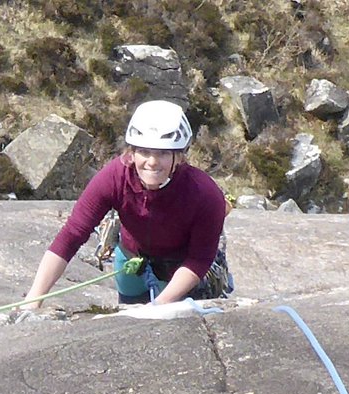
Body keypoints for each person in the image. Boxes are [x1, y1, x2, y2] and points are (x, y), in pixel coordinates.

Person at [24, 99, 231, 308]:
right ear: (131, 153)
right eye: (144, 151)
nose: (152, 162)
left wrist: (158, 305)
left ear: (179, 157)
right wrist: (34, 297)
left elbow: (198, 259)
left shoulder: (203, 194)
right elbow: (73, 234)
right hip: (132, 260)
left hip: (181, 270)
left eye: (163, 153)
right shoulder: (115, 178)